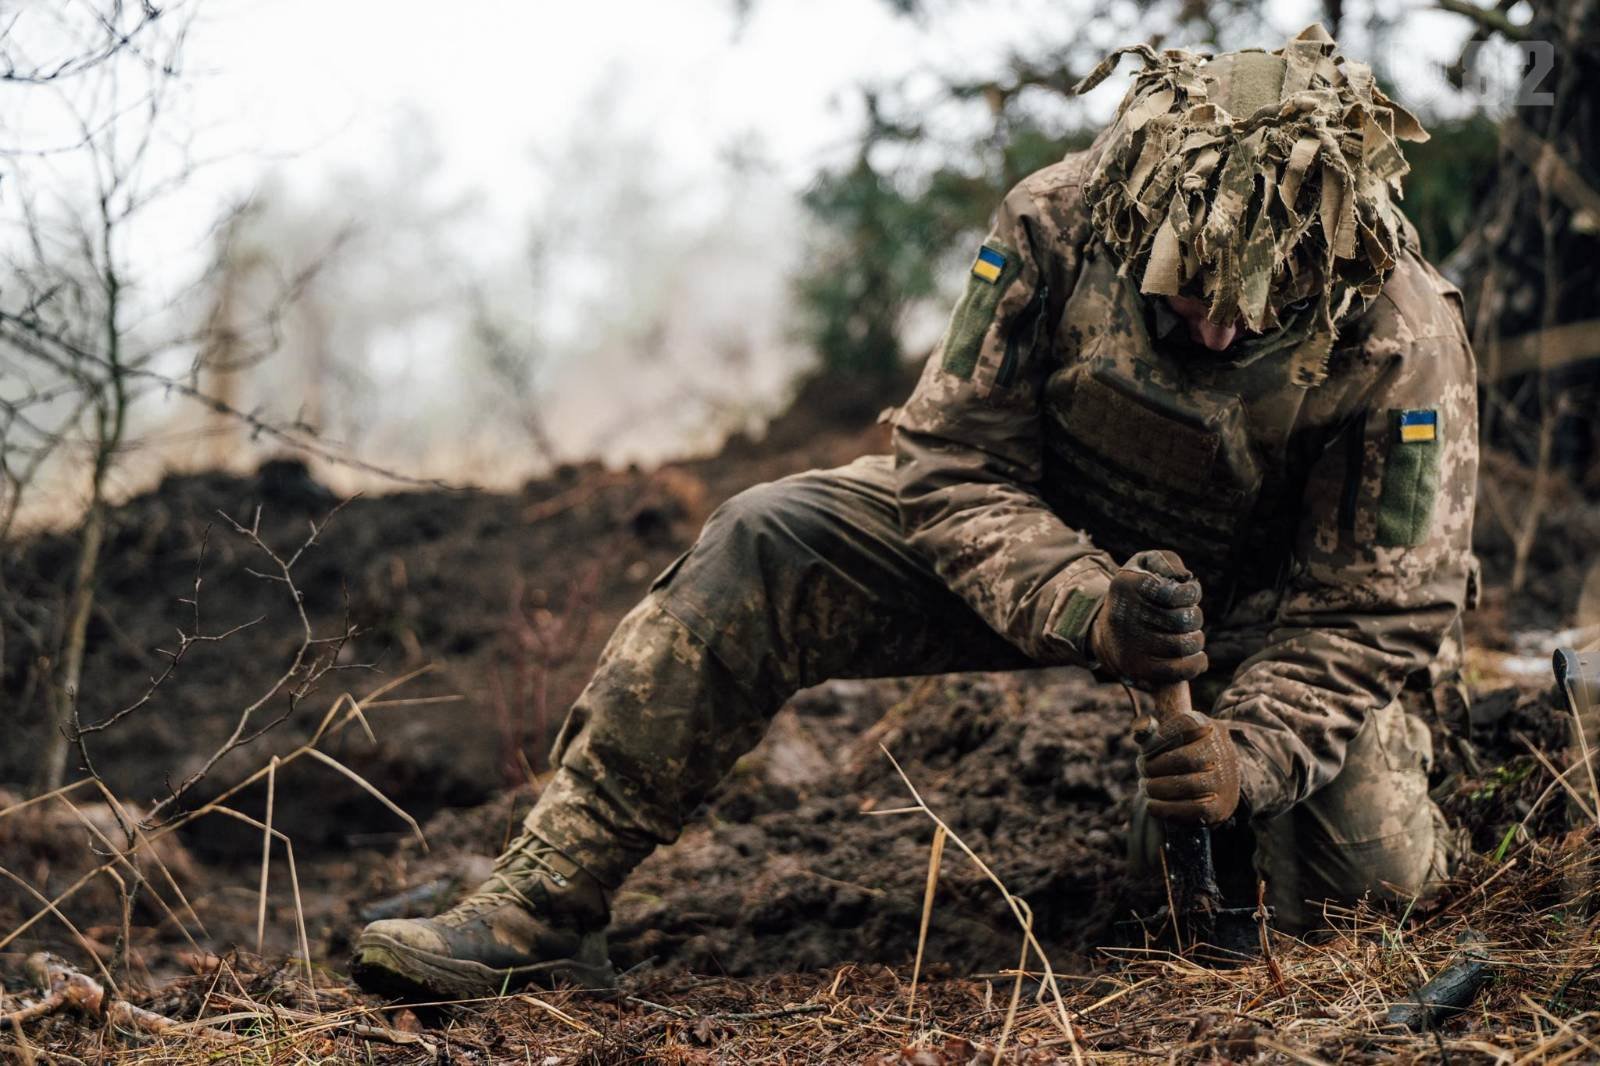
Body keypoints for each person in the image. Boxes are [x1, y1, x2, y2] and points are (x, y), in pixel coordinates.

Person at [351, 25, 1478, 1000]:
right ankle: (544, 903)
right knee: (767, 538)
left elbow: (1372, 611)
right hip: (1037, 542)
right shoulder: (1058, 221)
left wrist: (1251, 756)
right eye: (1188, 298)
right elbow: (947, 460)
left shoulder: (1396, 332)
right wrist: (1088, 606)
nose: (1218, 335)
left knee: (1358, 893)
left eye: (1254, 313)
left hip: (1261, 623)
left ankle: (1204, 808)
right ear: (1137, 225)